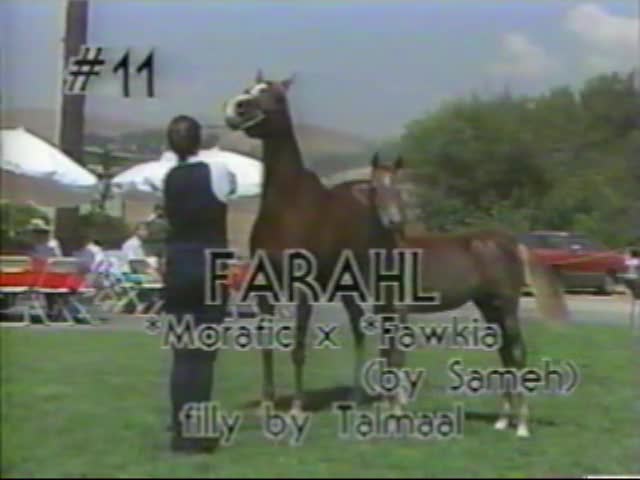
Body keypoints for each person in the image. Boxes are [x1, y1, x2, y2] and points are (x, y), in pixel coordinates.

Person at [163, 115, 236, 454]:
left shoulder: (169, 178)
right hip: (211, 261)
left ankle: (180, 431)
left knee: (182, 354)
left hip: (178, 262)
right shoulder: (217, 171)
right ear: (199, 140)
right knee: (203, 355)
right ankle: (197, 433)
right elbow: (231, 190)